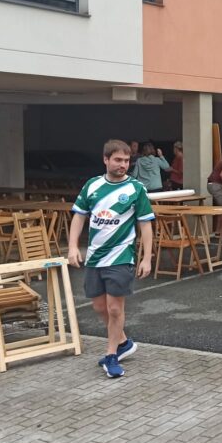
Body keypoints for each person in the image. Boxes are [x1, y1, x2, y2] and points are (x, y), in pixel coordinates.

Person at [68, 140, 154, 379]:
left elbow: (145, 225)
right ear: (106, 160)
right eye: (117, 160)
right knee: (99, 307)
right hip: (95, 257)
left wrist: (146, 258)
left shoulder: (136, 189)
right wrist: (73, 247)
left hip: (121, 256)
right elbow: (79, 217)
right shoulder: (92, 185)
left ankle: (111, 355)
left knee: (115, 309)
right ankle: (123, 342)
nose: (122, 165)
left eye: (126, 161)